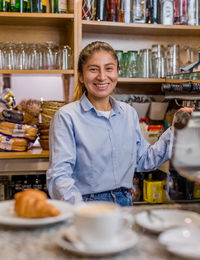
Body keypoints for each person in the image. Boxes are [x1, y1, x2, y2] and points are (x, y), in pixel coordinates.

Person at [47, 41, 193, 207]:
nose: (102, 76)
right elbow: (59, 176)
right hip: (86, 204)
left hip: (125, 203)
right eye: (93, 69)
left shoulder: (128, 113)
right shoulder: (67, 117)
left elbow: (144, 160)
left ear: (117, 72)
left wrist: (175, 130)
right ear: (80, 75)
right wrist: (81, 211)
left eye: (109, 68)